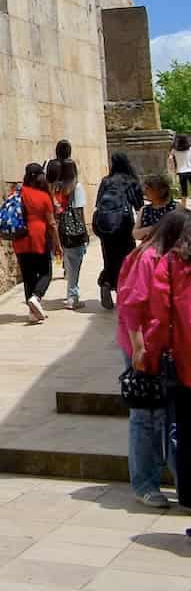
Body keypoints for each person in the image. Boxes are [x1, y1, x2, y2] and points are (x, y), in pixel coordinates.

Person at [120, 210, 191, 508]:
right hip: (145, 348)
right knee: (146, 418)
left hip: (160, 347)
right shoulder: (149, 258)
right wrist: (140, 350)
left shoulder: (168, 258)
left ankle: (178, 479)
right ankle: (145, 483)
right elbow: (133, 306)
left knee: (166, 418)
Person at [94, 153, 143, 310]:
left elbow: (98, 204)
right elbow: (138, 205)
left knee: (110, 258)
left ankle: (107, 283)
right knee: (128, 258)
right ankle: (125, 292)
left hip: (106, 225)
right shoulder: (131, 182)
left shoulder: (106, 181)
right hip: (124, 224)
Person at [13, 162, 61, 322]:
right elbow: (52, 224)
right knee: (46, 272)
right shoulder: (43, 197)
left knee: (28, 276)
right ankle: (36, 297)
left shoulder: (18, 193)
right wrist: (57, 244)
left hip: (20, 239)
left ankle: (32, 313)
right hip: (38, 238)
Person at [53, 159, 89, 310]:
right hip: (75, 230)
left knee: (69, 263)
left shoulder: (56, 188)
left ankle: (72, 295)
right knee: (76, 265)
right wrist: (85, 233)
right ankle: (72, 297)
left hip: (62, 229)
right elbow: (79, 211)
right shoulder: (77, 187)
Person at [134, 174, 177, 241]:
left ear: (162, 190)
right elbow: (135, 234)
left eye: (148, 188)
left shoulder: (175, 208)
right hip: (150, 248)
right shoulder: (144, 210)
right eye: (145, 188)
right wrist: (148, 230)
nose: (145, 191)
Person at [170, 134, 191, 205]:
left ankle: (184, 207)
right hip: (190, 170)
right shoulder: (190, 148)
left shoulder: (175, 150)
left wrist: (174, 170)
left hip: (181, 172)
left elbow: (170, 159)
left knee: (184, 191)